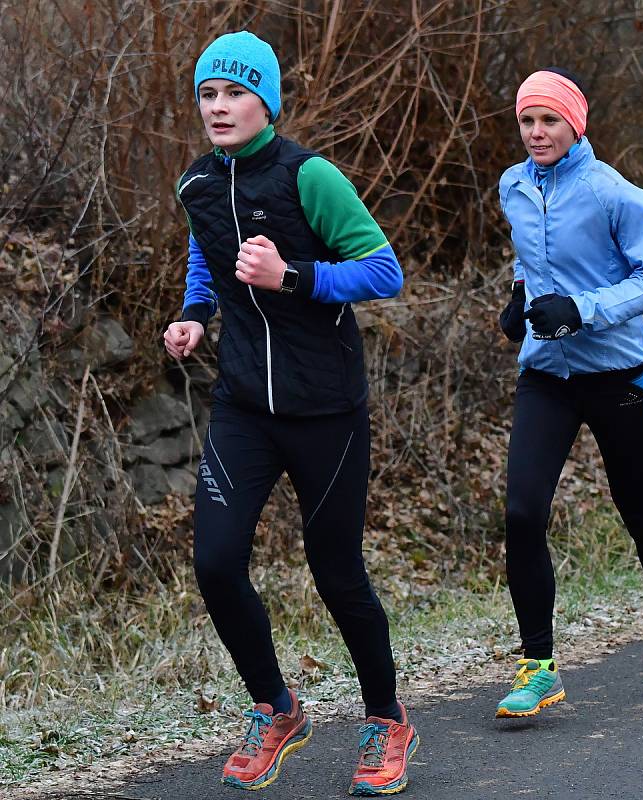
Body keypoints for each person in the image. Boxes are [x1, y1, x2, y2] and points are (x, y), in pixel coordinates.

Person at [163, 31, 418, 796]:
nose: (219, 107)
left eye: (235, 93)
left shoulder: (310, 176)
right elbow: (206, 251)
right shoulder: (198, 184)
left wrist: (292, 275)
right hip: (244, 403)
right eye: (208, 94)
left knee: (336, 572)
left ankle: (387, 719)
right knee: (214, 562)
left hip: (325, 411)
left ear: (266, 101)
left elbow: (385, 271)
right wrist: (195, 313)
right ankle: (277, 710)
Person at [495, 68, 643, 718]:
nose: (536, 132)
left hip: (617, 378)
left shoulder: (616, 195)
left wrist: (581, 309)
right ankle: (540, 668)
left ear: (575, 124)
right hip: (547, 375)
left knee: (640, 513)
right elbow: (531, 260)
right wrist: (518, 300)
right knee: (523, 513)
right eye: (527, 120)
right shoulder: (513, 187)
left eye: (549, 119)